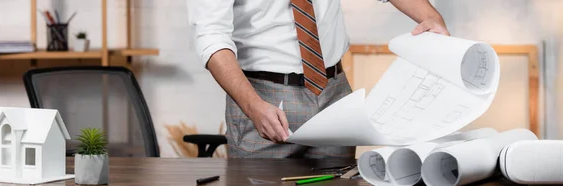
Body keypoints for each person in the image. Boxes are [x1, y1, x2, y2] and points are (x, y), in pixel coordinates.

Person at [186, 0, 450, 158]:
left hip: (334, 93)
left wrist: (431, 18)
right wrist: (253, 106)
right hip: (264, 100)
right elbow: (210, 36)